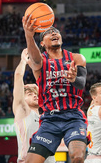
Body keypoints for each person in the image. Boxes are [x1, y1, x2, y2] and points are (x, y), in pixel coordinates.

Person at [22, 15, 88, 163]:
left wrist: (73, 79)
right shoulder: (40, 61)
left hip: (73, 116)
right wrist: (28, 35)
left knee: (77, 156)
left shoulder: (77, 58)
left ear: (61, 38)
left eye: (56, 31)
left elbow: (82, 83)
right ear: (42, 44)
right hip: (50, 119)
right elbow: (35, 59)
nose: (53, 33)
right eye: (48, 33)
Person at [12, 48, 55, 163]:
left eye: (36, 94)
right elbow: (18, 76)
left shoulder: (46, 114)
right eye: (30, 94)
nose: (35, 96)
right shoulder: (22, 110)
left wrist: (37, 88)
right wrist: (23, 61)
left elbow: (48, 91)